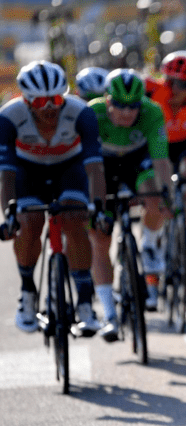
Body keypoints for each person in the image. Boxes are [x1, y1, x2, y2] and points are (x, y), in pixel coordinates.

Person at [0, 61, 104, 336]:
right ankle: (27, 292)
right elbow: (6, 175)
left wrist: (98, 207)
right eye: (40, 101)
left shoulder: (81, 112)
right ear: (26, 100)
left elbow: (95, 167)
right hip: (27, 172)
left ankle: (85, 303)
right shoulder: (8, 117)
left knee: (76, 219)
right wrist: (9, 215)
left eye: (56, 99)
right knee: (29, 222)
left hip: (69, 169)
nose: (49, 107)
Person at [89, 69, 172, 340]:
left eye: (133, 106)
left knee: (154, 196)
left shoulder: (152, 111)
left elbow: (161, 161)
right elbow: (87, 167)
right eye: (120, 105)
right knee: (100, 236)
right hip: (103, 166)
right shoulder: (92, 113)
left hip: (137, 162)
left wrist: (168, 197)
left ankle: (149, 244)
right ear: (107, 100)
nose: (127, 112)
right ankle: (109, 313)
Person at [145, 50, 186, 256]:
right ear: (167, 81)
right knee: (156, 186)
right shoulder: (152, 90)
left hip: (184, 143)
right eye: (176, 83)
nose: (181, 90)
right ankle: (155, 233)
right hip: (157, 143)